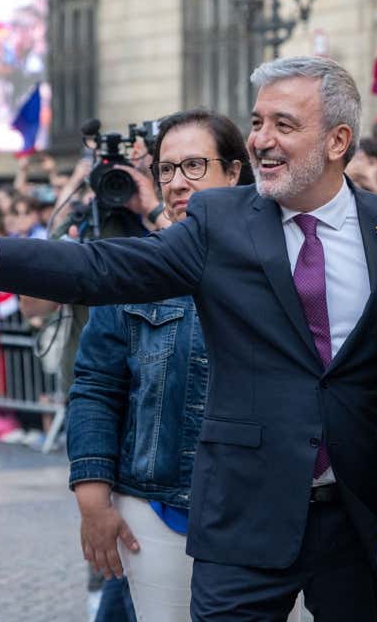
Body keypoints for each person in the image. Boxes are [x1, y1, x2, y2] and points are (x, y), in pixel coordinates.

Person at [0, 55, 377, 621]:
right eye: (256, 122)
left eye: (284, 125)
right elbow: (99, 267)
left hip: (361, 516)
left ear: (339, 140)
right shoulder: (219, 221)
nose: (261, 141)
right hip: (242, 517)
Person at [70, 108, 258, 621]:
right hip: (155, 508)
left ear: (235, 171)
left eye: (194, 165)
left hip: (260, 511)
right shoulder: (133, 267)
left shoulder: (278, 263)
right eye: (167, 169)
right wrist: (92, 500)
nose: (177, 182)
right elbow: (96, 385)